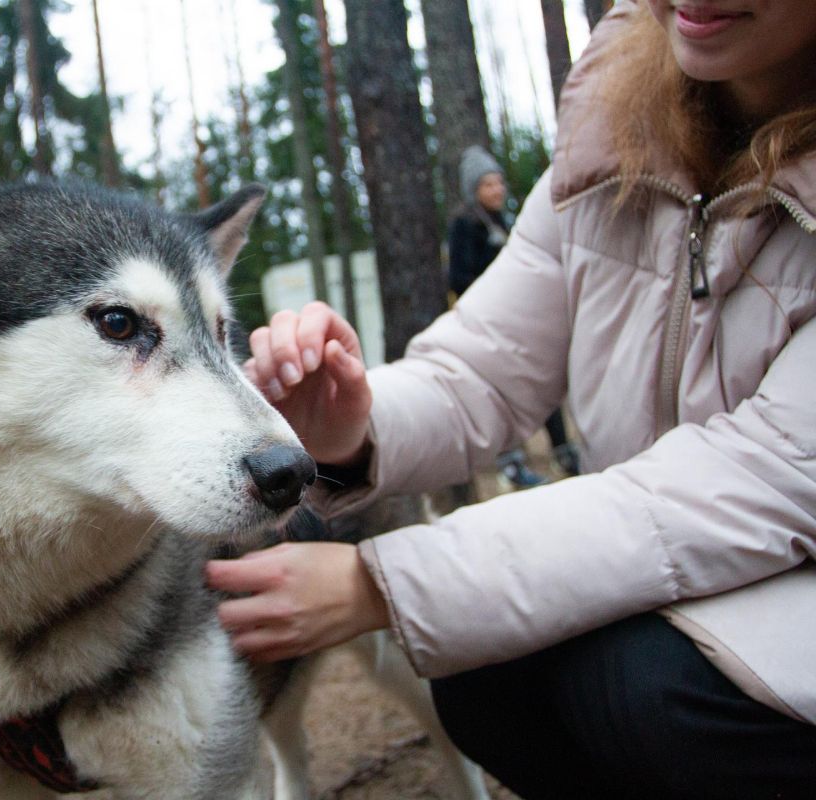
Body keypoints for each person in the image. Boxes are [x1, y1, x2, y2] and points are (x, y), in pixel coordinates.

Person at [207, 2, 816, 797]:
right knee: (483, 675)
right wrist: (355, 423)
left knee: (650, 690)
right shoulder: (618, 134)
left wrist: (383, 583)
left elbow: (753, 481)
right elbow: (484, 370)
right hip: (677, 570)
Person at [448, 145, 580, 489]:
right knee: (503, 393)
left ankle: (564, 451)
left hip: (523, 321)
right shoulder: (465, 226)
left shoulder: (507, 222)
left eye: (499, 183)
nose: (497, 190)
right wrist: (496, 285)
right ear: (474, 190)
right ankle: (511, 465)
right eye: (488, 185)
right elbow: (458, 278)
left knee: (545, 384)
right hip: (489, 326)